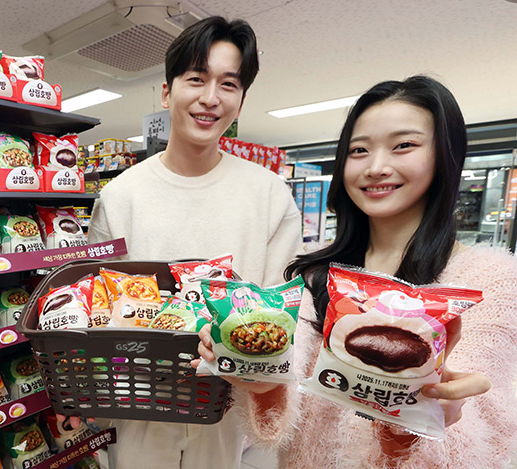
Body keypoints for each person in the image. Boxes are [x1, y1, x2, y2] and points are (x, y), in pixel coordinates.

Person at [196, 75, 517, 468]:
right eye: (359, 150)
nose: (376, 167)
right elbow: (276, 425)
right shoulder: (313, 272)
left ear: (444, 155)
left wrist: (422, 420)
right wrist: (259, 379)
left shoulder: (488, 281)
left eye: (404, 145)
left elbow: (484, 442)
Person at [86, 16, 304, 469]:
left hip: (224, 407)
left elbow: (286, 313)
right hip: (138, 403)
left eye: (228, 84)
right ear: (167, 93)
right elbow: (95, 307)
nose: (210, 98)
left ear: (241, 101)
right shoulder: (121, 195)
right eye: (196, 79)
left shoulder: (269, 195)